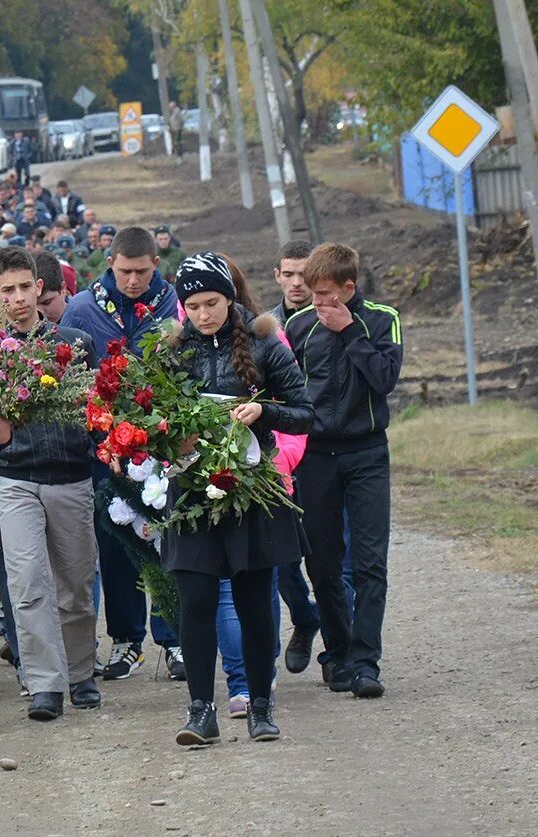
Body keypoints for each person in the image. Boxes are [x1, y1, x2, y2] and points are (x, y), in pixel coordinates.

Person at [160, 253, 313, 746]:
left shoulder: (266, 341)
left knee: (254, 602)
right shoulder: (170, 350)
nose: (203, 314)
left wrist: (261, 412)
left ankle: (262, 708)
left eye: (212, 302)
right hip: (191, 489)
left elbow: (305, 412)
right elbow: (149, 418)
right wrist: (168, 437)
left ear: (230, 297)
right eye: (193, 305)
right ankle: (200, 711)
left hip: (250, 490)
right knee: (197, 602)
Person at [0, 247, 100, 721]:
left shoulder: (72, 344)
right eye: (7, 291)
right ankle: (44, 684)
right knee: (27, 582)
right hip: (15, 481)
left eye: (24, 288)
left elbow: (91, 414)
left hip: (71, 477)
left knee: (75, 584)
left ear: (40, 288)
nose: (17, 299)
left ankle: (80, 673)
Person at [60, 227, 180, 683]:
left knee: (164, 539)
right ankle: (127, 640)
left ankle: (172, 639)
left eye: (143, 272)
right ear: (110, 262)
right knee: (115, 545)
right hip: (105, 448)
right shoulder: (83, 308)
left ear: (155, 264)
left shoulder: (171, 303)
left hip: (160, 444)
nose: (134, 281)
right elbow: (71, 380)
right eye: (126, 271)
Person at [284, 243, 403, 699]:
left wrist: (351, 331)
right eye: (312, 295)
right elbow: (284, 390)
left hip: (367, 452)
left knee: (371, 561)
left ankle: (366, 660)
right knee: (323, 560)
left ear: (349, 289)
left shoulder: (381, 319)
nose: (316, 304)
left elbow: (385, 380)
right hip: (315, 456)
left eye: (326, 295)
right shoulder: (297, 326)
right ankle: (337, 652)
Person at [262, 239, 322, 674]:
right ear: (277, 276)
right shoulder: (263, 328)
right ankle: (304, 618)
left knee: (333, 555)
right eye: (290, 274)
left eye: (306, 274)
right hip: (279, 456)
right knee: (283, 559)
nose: (298, 283)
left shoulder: (333, 319)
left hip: (327, 452)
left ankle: (343, 648)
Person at [269, 239, 314, 325]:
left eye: (304, 275)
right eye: (288, 275)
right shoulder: (264, 328)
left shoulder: (333, 322)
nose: (296, 283)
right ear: (277, 275)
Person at [33, 250, 71, 324]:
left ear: (63, 289)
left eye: (46, 302)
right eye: (33, 305)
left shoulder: (83, 322)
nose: (39, 311)